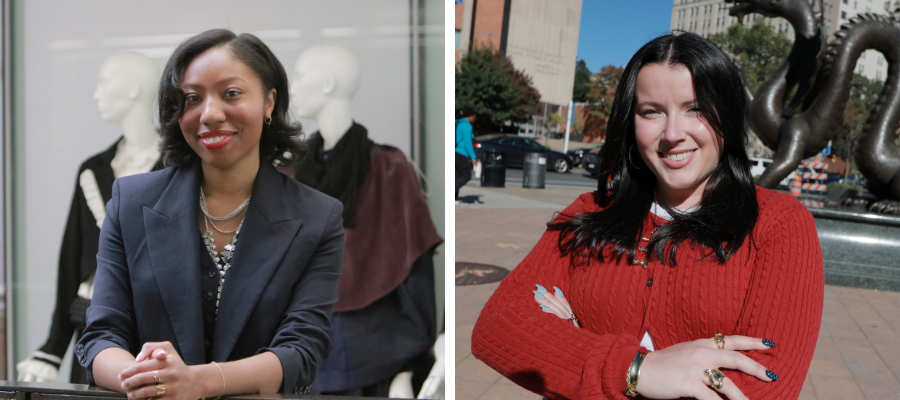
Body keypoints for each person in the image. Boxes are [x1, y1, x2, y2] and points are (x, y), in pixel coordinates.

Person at [472, 33, 824, 400]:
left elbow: (762, 389)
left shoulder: (779, 224)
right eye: (651, 111)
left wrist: (573, 342)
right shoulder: (591, 210)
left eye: (696, 109)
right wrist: (640, 369)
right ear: (631, 119)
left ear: (728, 116)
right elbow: (497, 327)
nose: (672, 134)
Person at [75, 29, 344, 399]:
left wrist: (197, 381)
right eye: (191, 98)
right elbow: (101, 337)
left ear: (269, 102)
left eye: (231, 93)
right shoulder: (131, 202)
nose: (210, 113)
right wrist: (147, 377)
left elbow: (302, 350)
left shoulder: (317, 216)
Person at [288, 45, 442, 397]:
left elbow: (414, 265)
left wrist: (412, 364)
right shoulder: (291, 173)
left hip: (373, 349)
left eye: (299, 76)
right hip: (299, 347)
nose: (292, 88)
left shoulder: (388, 168)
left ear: (327, 83)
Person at [17, 51, 163, 384]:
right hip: (92, 326)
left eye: (104, 82)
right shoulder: (93, 170)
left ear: (131, 88)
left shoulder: (177, 169)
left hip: (154, 333)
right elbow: (73, 260)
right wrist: (52, 350)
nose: (96, 94)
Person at [455, 107, 477, 205]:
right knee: (466, 176)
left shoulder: (458, 123)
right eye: (475, 116)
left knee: (457, 176)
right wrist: (473, 157)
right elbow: (468, 143)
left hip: (455, 153)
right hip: (462, 153)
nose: (475, 119)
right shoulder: (467, 126)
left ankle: (454, 199)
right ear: (471, 116)